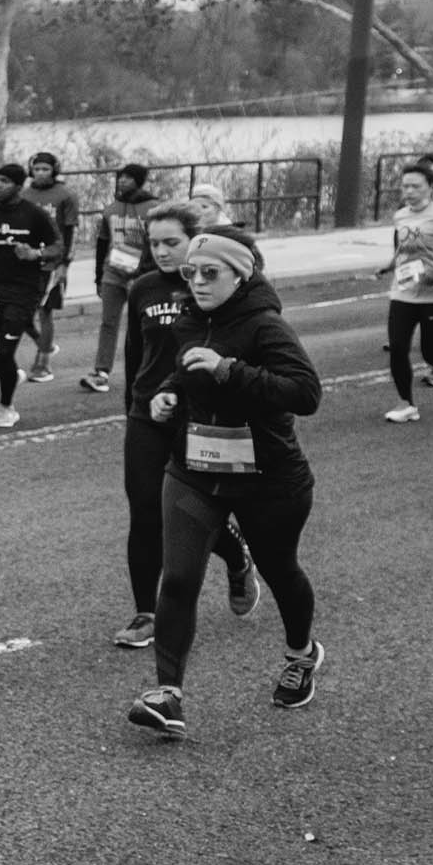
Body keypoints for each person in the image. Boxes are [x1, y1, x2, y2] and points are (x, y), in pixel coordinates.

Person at [125, 229, 323, 740]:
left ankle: (302, 654)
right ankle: (168, 695)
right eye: (191, 273)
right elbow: (186, 369)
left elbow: (304, 392)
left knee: (281, 572)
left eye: (210, 273)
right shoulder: (192, 320)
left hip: (268, 478)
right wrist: (169, 393)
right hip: (194, 469)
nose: (197, 282)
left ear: (242, 274)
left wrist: (228, 369)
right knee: (181, 578)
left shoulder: (265, 325)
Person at [110, 203, 254, 650]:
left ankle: (235, 557)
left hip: (201, 417)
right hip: (148, 414)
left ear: (196, 240)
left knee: (192, 514)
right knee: (145, 511)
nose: (162, 252)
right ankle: (145, 613)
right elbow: (136, 352)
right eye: (154, 243)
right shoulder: (143, 287)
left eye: (171, 242)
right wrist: (134, 402)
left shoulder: (216, 287)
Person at [0, 163, 61, 428]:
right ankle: (12, 376)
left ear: (19, 186)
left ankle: (6, 408)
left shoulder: (34, 215)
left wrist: (35, 254)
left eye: (5, 181)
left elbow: (58, 247)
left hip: (23, 291)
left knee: (5, 352)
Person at [378, 166, 433, 423]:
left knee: (432, 354)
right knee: (397, 348)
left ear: (431, 187)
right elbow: (402, 248)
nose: (409, 191)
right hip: (403, 291)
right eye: (405, 186)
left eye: (416, 186)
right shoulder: (401, 216)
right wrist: (389, 265)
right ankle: (406, 404)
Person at [78, 165, 155, 393]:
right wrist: (98, 276)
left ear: (139, 181)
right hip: (113, 274)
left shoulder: (153, 208)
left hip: (142, 275)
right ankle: (101, 373)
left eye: (129, 178)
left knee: (143, 326)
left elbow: (156, 244)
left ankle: (147, 370)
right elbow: (102, 243)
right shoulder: (111, 209)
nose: (122, 181)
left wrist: (143, 275)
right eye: (120, 177)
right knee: (108, 323)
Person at [21, 152, 82, 381]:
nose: (41, 174)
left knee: (45, 311)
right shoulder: (25, 195)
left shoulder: (65, 195)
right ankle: (43, 343)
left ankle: (43, 364)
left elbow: (72, 231)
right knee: (21, 312)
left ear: (54, 170)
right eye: (37, 169)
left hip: (53, 263)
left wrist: (66, 263)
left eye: (46, 169)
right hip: (28, 262)